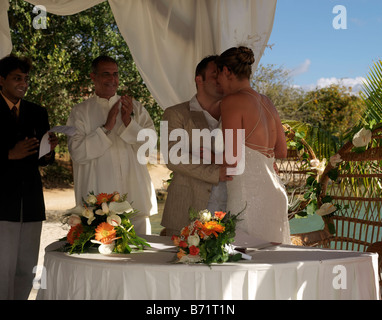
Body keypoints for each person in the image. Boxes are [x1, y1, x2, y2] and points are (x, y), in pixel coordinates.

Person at [67, 55, 157, 235]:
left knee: (140, 256)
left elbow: (150, 145)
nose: (112, 79)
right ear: (93, 77)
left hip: (134, 197)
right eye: (106, 74)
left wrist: (129, 123)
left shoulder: (135, 108)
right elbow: (77, 152)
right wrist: (107, 127)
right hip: (97, 205)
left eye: (115, 74)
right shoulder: (80, 112)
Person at [216, 46, 291, 244]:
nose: (218, 83)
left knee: (244, 260)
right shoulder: (267, 102)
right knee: (272, 263)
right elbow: (281, 151)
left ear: (226, 71)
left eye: (218, 76)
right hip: (273, 192)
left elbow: (232, 157)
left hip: (248, 195)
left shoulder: (231, 101)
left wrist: (206, 155)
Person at [0, 55, 58, 300]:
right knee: (2, 269)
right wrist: (9, 154)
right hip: (2, 203)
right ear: (1, 80)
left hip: (32, 202)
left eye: (25, 79)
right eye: (17, 78)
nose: (23, 83)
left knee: (26, 268)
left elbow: (43, 159)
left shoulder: (37, 111)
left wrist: (49, 150)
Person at [161, 55, 233, 236]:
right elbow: (173, 158)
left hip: (231, 212)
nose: (221, 79)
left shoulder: (235, 115)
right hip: (186, 211)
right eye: (215, 74)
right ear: (198, 79)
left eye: (224, 74)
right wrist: (215, 173)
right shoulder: (174, 113)